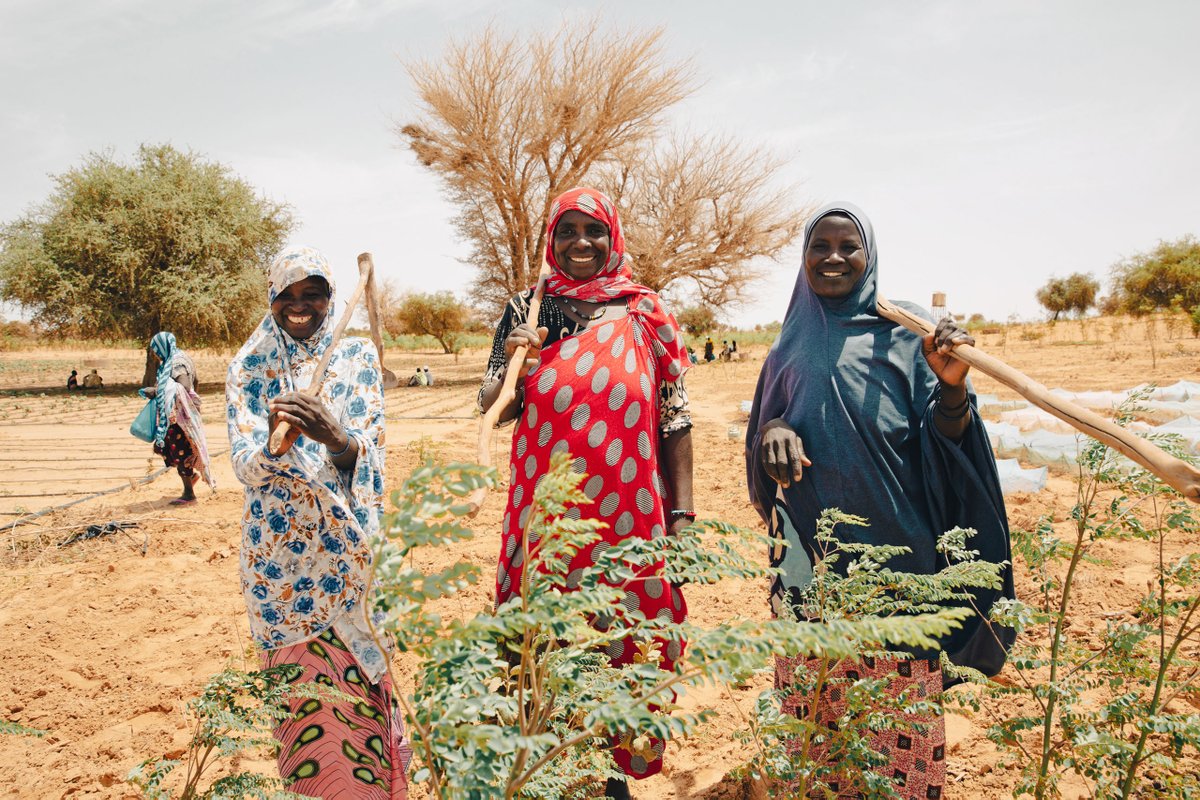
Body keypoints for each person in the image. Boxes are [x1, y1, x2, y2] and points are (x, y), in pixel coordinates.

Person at [745, 203, 1013, 799]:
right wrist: (772, 431)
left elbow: (948, 444)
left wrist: (950, 385)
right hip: (809, 570)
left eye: (849, 246)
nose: (834, 257)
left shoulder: (908, 333)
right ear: (804, 257)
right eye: (821, 245)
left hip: (901, 566)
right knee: (814, 726)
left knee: (900, 742)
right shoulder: (789, 344)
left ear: (871, 258)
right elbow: (763, 437)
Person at [478, 187, 693, 798]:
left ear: (612, 238)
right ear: (552, 239)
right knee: (545, 633)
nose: (580, 243)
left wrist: (683, 516)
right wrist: (517, 360)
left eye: (592, 231)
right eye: (567, 231)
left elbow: (676, 416)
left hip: (630, 515)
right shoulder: (527, 308)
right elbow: (497, 405)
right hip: (546, 515)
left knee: (623, 634)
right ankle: (551, 767)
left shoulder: (646, 312)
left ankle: (610, 774)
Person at [226, 246, 409, 799]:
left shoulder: (355, 360)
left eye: (314, 294)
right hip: (280, 573)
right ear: (271, 299)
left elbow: (372, 451)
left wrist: (336, 437)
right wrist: (276, 443)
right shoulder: (248, 365)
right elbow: (243, 464)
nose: (300, 306)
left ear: (332, 299)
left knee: (359, 706)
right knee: (307, 712)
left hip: (347, 559)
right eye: (288, 295)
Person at [140, 332, 214, 504]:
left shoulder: (176, 363)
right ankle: (191, 480)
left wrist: (156, 391)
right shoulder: (176, 359)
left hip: (179, 419)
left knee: (181, 452)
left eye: (156, 350)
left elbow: (184, 385)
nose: (156, 354)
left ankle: (189, 494)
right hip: (178, 415)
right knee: (171, 450)